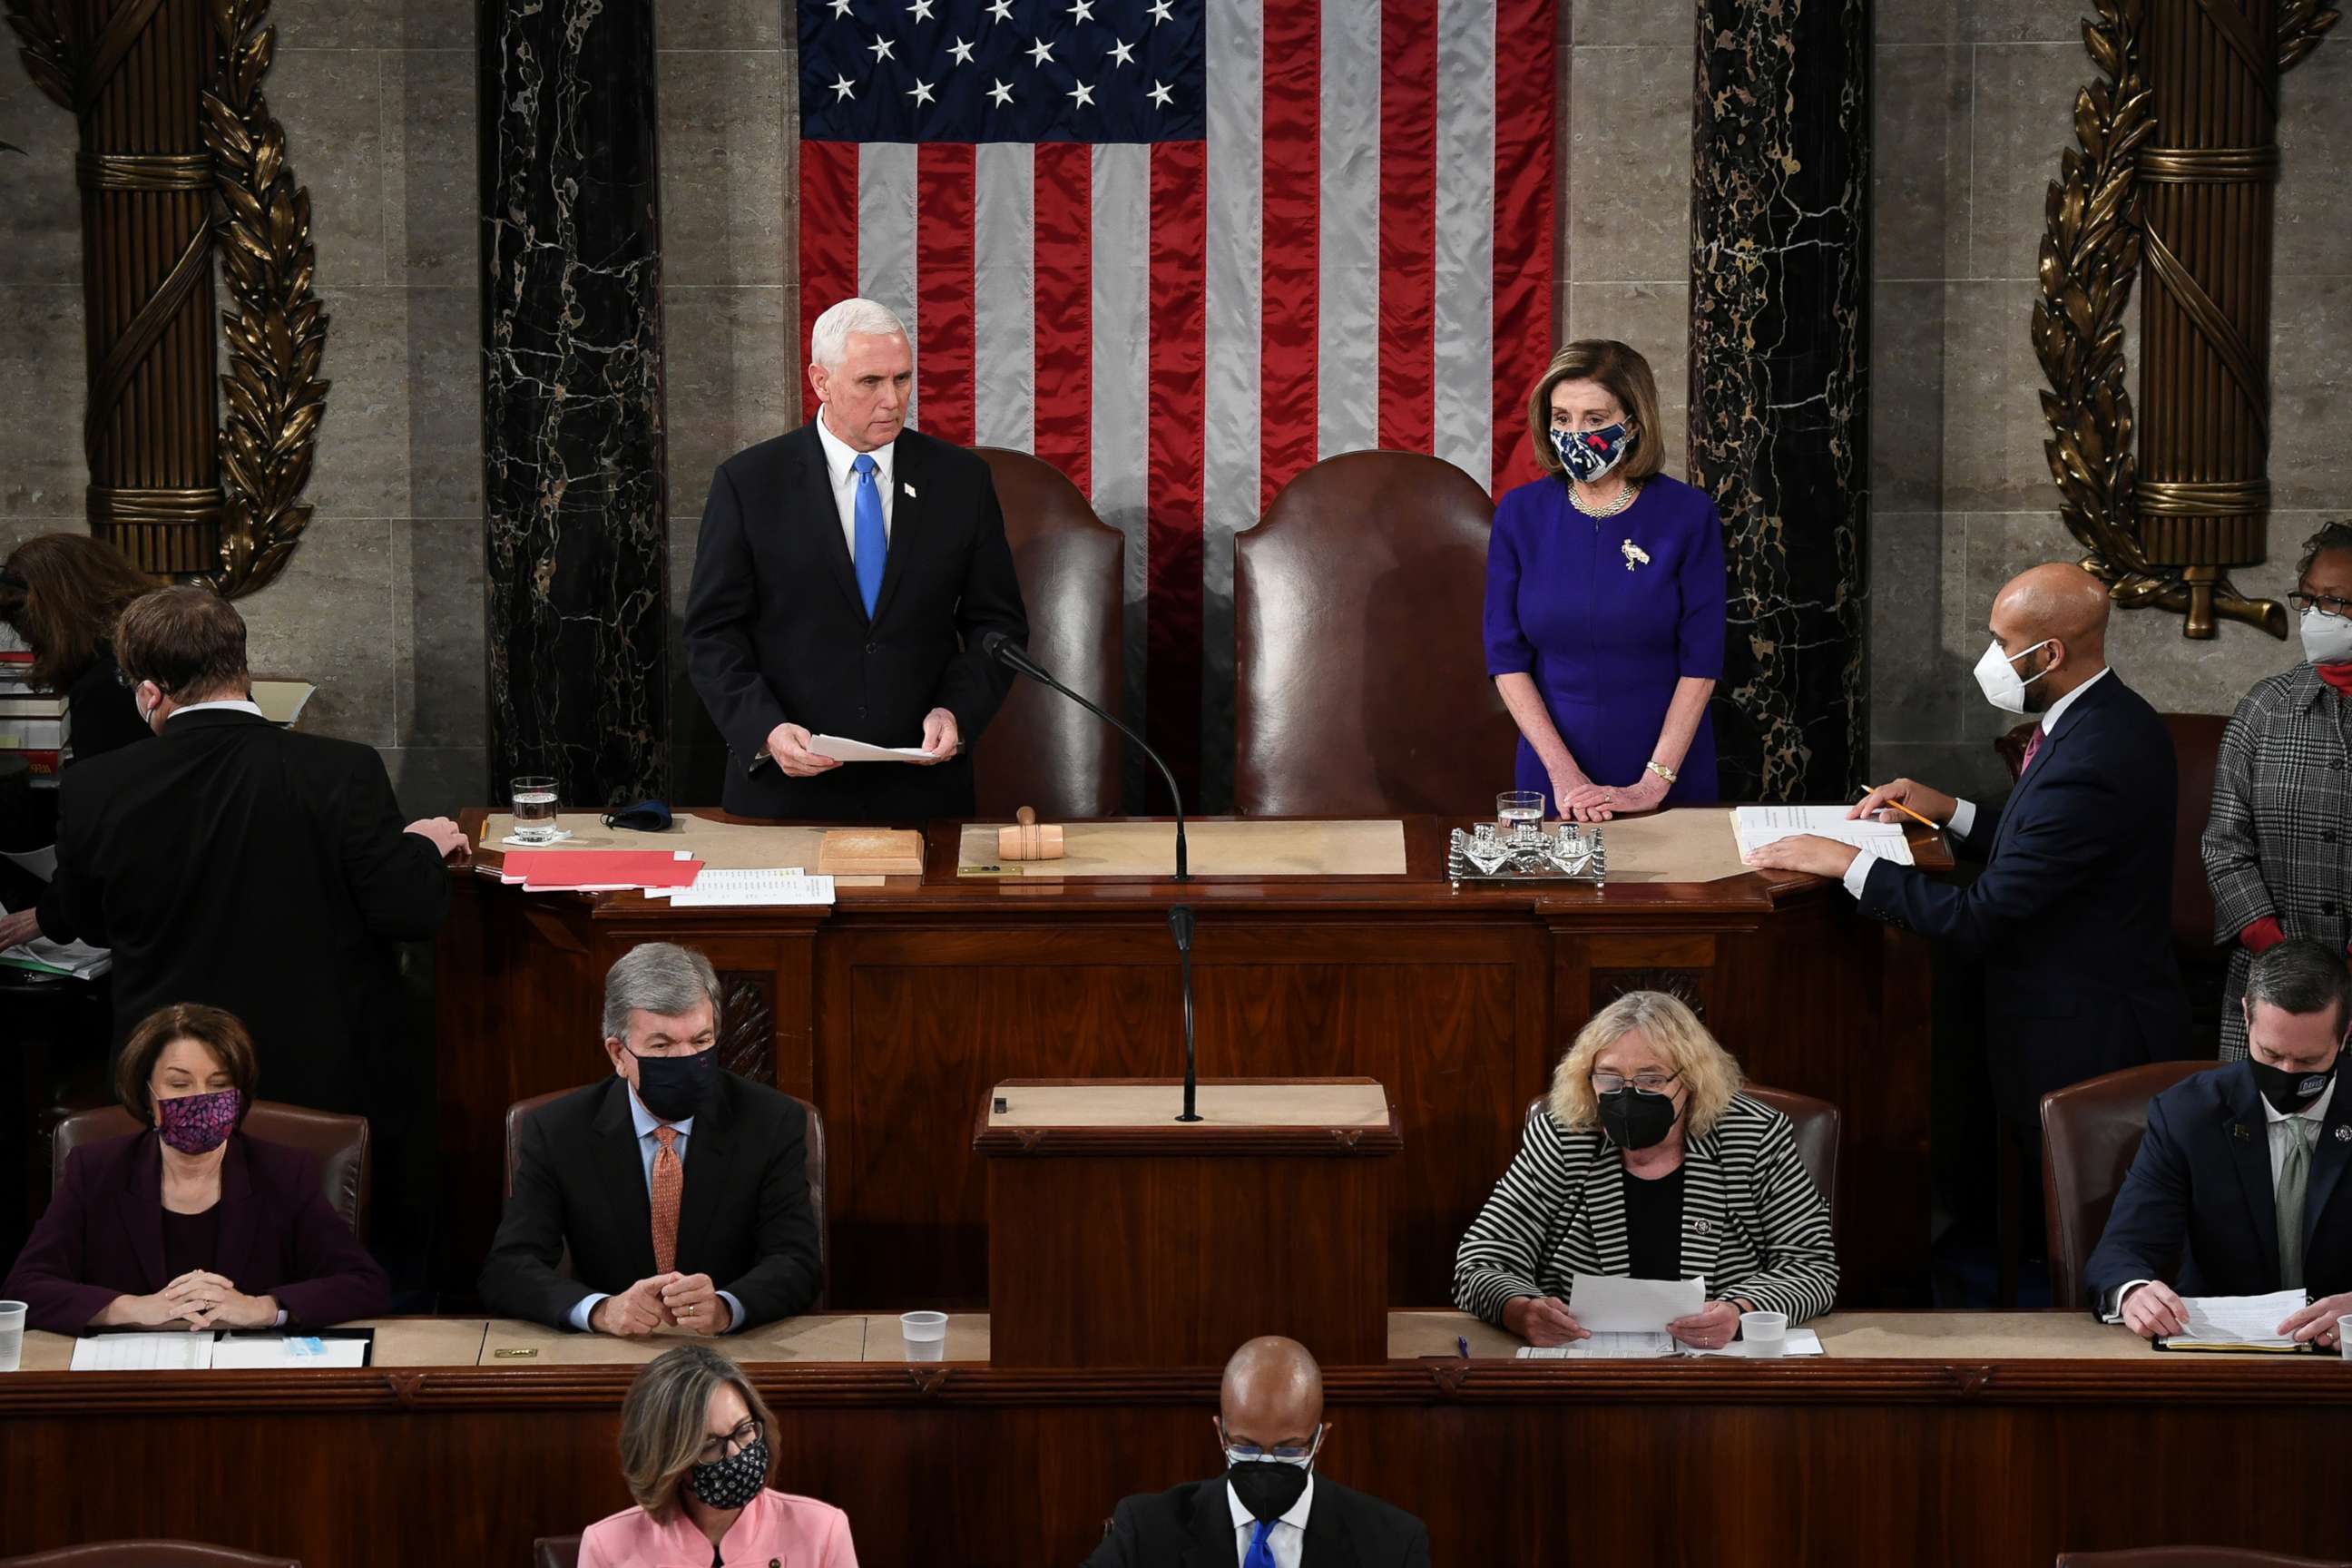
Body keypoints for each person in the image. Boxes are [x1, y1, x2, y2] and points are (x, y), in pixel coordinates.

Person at [1741, 562, 2189, 1147]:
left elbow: (1979, 917)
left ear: (2050, 654)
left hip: (2085, 1035)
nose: (1992, 657)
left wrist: (1845, 862)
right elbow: (2046, 845)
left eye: (2003, 643)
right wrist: (1947, 809)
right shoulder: (2102, 715)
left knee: (2057, 1216)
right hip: (2071, 1008)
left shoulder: (2095, 755)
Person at [40, 585, 466, 1109]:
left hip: (168, 1073)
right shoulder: (341, 771)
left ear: (150, 692)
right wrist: (420, 846)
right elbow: (409, 911)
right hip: (317, 1081)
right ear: (241, 665)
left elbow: (90, 922)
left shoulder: (93, 787)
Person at [683, 296, 1029, 822]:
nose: (892, 400)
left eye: (903, 379)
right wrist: (766, 730)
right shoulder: (749, 483)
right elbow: (712, 633)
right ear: (821, 382)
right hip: (787, 791)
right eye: (870, 382)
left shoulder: (960, 481)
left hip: (921, 791)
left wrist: (955, 712)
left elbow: (996, 624)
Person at [1453, 990, 1838, 1345]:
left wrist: (1741, 1313)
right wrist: (1520, 1311)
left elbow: (1811, 1267)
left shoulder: (1753, 1137)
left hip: (1716, 1366)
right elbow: (1481, 1261)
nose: (1627, 1095)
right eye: (1610, 1078)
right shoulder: (1564, 1134)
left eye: (1651, 1079)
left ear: (1691, 1081)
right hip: (1584, 1361)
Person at [479, 942, 824, 1336]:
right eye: (662, 1045)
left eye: (700, 1041)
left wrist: (727, 1307)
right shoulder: (559, 1130)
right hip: (613, 1354)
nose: (686, 1059)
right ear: (618, 1054)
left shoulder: (770, 1121)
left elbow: (797, 1261)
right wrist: (602, 1311)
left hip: (729, 1353)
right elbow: (510, 1269)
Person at [2, 1003, 389, 1334]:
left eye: (219, 1084)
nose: (200, 1099)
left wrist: (264, 1308)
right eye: (179, 1084)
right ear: (146, 1094)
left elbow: (366, 1284)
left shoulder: (284, 1172)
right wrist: (129, 1309)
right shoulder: (97, 1170)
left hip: (246, 1384)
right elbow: (24, 1288)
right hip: (131, 1382)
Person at [1484, 339, 1726, 823]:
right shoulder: (1519, 513)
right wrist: (1564, 776)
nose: (1575, 434)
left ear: (1633, 424)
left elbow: (1702, 661)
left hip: (1666, 764)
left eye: (1595, 420)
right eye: (1562, 419)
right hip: (1552, 768)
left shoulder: (1688, 514)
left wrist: (1652, 784)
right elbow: (1505, 658)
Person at [2087, 938, 2352, 1346]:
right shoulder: (2187, 1115)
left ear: (2346, 1034)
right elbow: (2123, 1250)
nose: (2287, 1073)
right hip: (2222, 1355)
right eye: (2270, 1053)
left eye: (2309, 1061)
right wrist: (2134, 1292)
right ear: (2246, 1017)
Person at [1083, 1335, 1429, 1568]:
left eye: (1289, 1451)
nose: (1266, 1464)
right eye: (1247, 1448)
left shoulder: (1393, 1545)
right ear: (1220, 1434)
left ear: (1319, 1440)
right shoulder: (1146, 1531)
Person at [2203, 521, 2352, 1060]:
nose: (2315, 616)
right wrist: (2273, 948)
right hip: (2269, 984)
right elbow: (2224, 843)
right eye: (2307, 599)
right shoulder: (2265, 709)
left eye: (2333, 602)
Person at [0, 533, 157, 953]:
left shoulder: (105, 686)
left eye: (34, 637)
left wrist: (51, 914)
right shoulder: (149, 654)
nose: (35, 651)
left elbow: (108, 821)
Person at [580, 1343, 858, 1567]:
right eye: (709, 1444)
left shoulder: (823, 1531)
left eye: (744, 1430)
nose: (736, 1453)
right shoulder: (607, 1547)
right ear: (667, 1457)